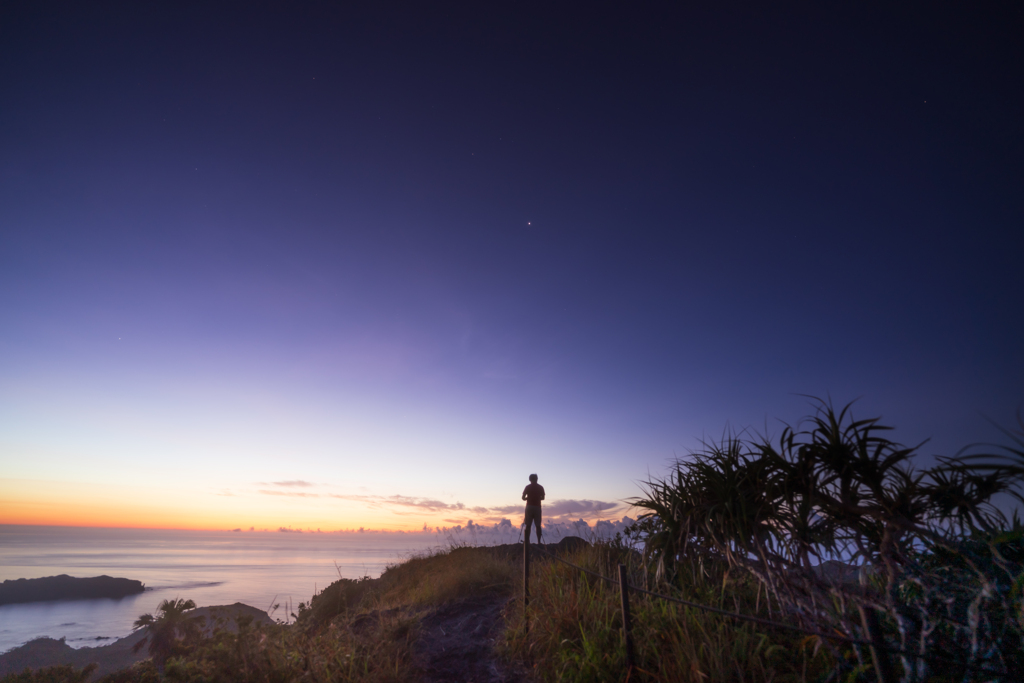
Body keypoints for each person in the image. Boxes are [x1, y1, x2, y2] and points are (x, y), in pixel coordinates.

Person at [522, 474, 545, 544]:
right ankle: (539, 541)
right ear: (537, 479)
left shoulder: (527, 487)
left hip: (529, 507)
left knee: (528, 525)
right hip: (537, 507)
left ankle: (527, 541)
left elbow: (523, 498)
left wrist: (528, 498)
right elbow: (543, 498)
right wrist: (537, 498)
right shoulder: (540, 487)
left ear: (530, 479)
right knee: (538, 525)